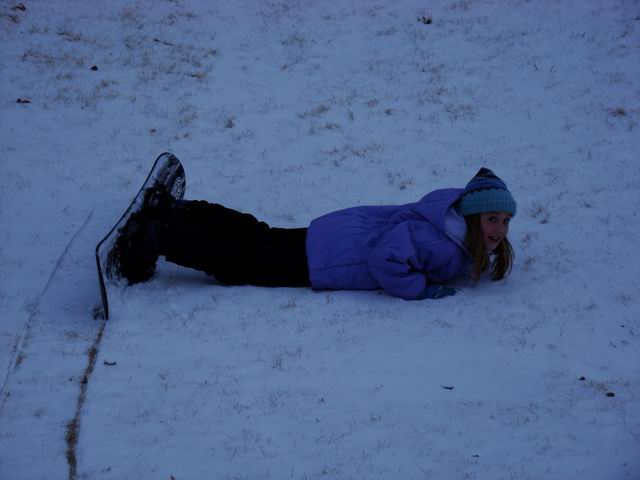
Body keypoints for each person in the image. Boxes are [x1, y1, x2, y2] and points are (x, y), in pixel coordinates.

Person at [115, 167, 516, 300]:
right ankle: (162, 237)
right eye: (492, 219)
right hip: (330, 260)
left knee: (257, 235)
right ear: (473, 216)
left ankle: (180, 210)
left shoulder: (448, 216)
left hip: (335, 234)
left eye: (504, 220)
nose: (499, 228)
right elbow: (384, 261)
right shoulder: (443, 243)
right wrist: (421, 289)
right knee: (240, 263)